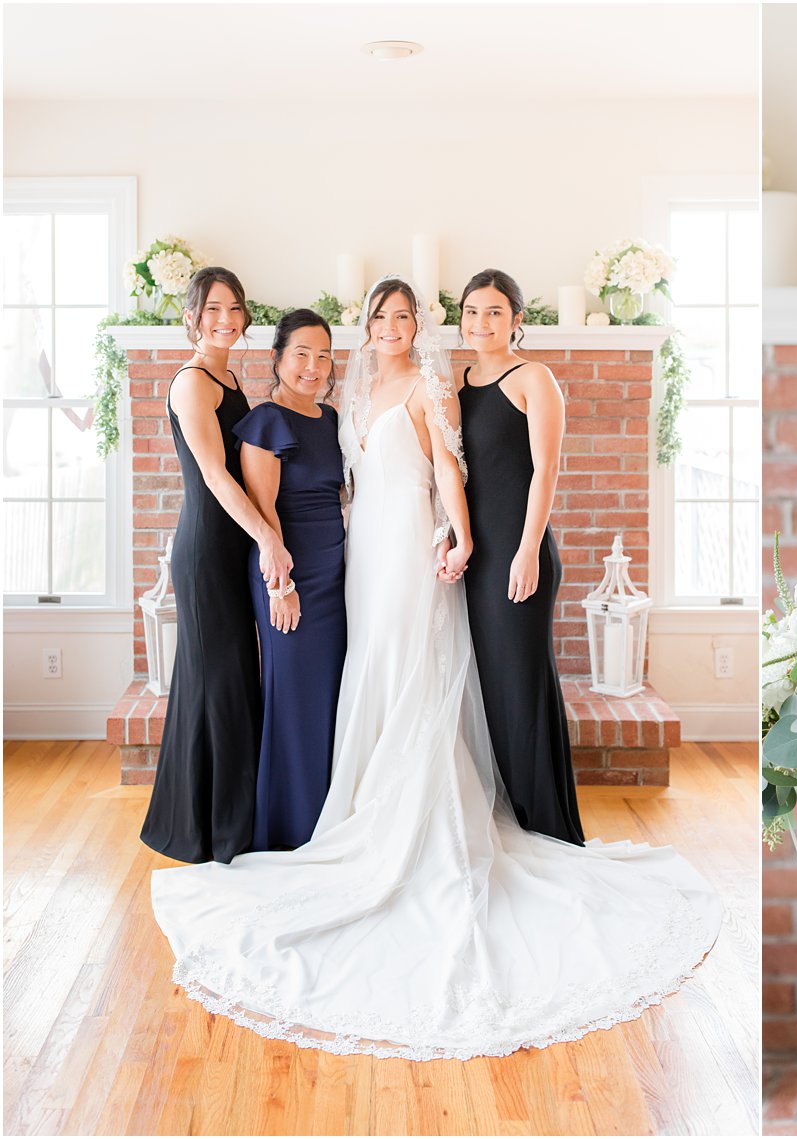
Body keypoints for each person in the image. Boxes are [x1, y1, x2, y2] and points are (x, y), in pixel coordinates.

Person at [148, 276, 720, 1060]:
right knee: (370, 667)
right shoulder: (347, 391)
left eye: (403, 316)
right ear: (366, 328)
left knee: (411, 664)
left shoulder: (429, 384)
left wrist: (460, 535)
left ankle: (417, 819)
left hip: (412, 550)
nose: (391, 327)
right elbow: (335, 483)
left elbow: (451, 470)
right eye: (380, 317)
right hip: (359, 557)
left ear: (421, 326)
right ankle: (355, 801)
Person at [140, 267, 293, 865]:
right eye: (212, 310)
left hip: (235, 544)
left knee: (229, 681)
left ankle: (225, 819)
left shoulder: (228, 375)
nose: (226, 319)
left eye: (234, 309)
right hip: (207, 547)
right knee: (217, 683)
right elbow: (214, 476)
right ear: (192, 317)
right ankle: (208, 831)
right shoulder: (192, 383)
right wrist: (268, 540)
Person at [457, 268, 583, 844]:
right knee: (489, 688)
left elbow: (546, 470)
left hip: (519, 553)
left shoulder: (534, 377)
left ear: (517, 320)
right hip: (475, 558)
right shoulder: (457, 383)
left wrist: (528, 549)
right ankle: (509, 813)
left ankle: (548, 824)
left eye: (494, 312)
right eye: (472, 312)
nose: (481, 323)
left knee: (521, 684)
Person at [236, 310, 345, 851]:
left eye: (323, 354)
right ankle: (289, 828)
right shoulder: (264, 421)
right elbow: (264, 515)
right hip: (291, 576)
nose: (313, 365)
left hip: (337, 574)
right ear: (277, 357)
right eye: (301, 352)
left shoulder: (329, 419)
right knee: (295, 697)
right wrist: (282, 586)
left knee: (329, 697)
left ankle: (328, 816)